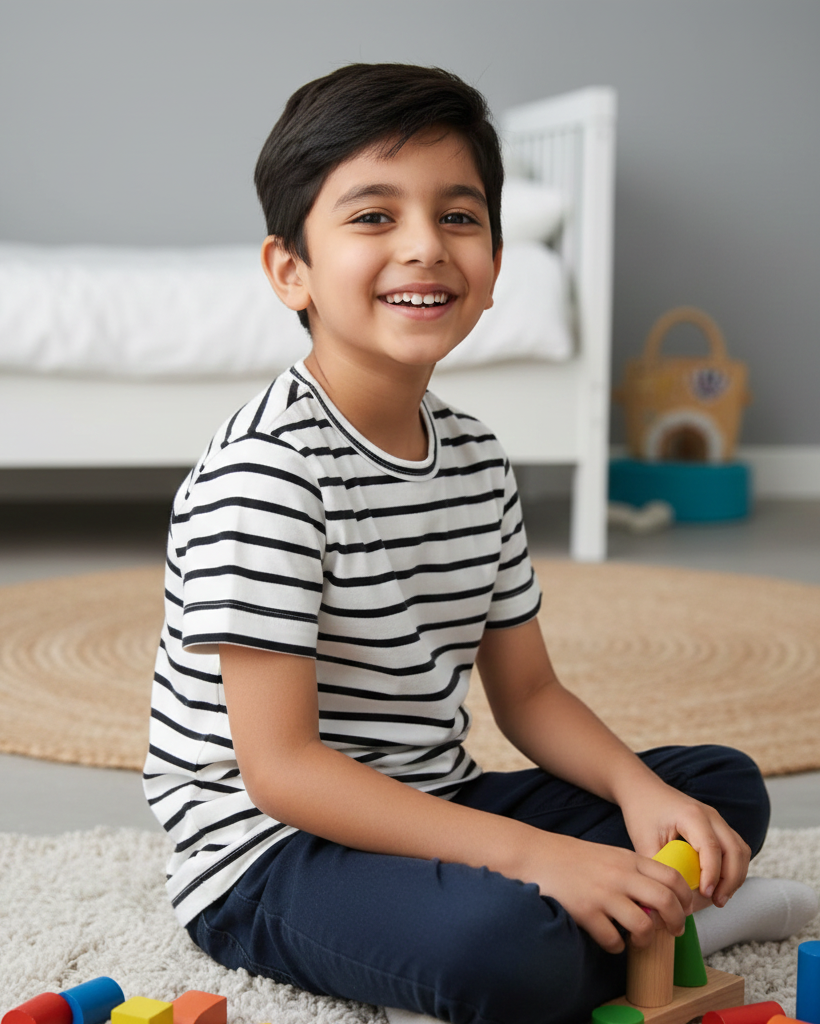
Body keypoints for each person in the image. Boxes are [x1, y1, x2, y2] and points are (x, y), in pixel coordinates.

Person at [144, 64, 786, 1024]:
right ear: (291, 270)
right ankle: (638, 931)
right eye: (372, 218)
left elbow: (527, 693)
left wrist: (639, 796)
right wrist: (541, 857)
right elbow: (282, 771)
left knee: (714, 792)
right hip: (272, 853)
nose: (423, 249)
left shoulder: (478, 457)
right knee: (503, 949)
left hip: (439, 805)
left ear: (492, 259)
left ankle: (613, 919)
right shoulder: (265, 473)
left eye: (458, 216)